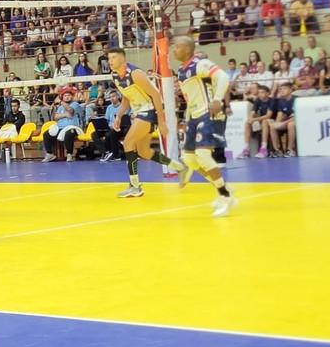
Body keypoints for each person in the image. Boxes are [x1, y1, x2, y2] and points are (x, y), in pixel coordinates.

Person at [172, 36, 236, 217]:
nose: (174, 50)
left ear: (187, 49)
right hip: (194, 116)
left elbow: (223, 76)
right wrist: (186, 119)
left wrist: (217, 99)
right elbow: (190, 96)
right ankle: (224, 188)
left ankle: (226, 196)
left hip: (209, 113)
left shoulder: (199, 64)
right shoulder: (181, 69)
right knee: (190, 159)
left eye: (177, 47)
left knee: (203, 155)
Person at [108, 47, 185, 197]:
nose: (110, 61)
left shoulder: (136, 73)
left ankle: (135, 186)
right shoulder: (115, 76)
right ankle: (179, 167)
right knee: (144, 151)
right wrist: (118, 116)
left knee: (128, 142)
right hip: (139, 112)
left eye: (114, 57)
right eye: (109, 58)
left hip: (150, 111)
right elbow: (126, 97)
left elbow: (156, 95)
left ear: (123, 59)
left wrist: (162, 122)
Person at [41, 88, 83, 162]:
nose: (67, 97)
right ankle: (50, 154)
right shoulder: (60, 107)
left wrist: (62, 103)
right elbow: (55, 117)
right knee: (46, 134)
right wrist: (65, 115)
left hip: (72, 127)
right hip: (60, 127)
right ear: (62, 97)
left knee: (68, 134)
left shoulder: (75, 104)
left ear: (72, 97)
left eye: (68, 95)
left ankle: (69, 154)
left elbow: (71, 111)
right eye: (65, 96)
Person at [243, 84, 273, 158]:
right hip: (261, 119)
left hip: (272, 120)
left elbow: (268, 116)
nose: (260, 94)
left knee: (264, 121)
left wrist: (254, 119)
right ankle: (246, 148)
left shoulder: (272, 101)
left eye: (262, 92)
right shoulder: (258, 100)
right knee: (247, 123)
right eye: (259, 92)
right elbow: (253, 112)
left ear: (268, 93)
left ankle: (263, 149)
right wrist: (250, 119)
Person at [269, 83, 297, 157]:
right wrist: (277, 123)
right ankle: (277, 150)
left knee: (290, 125)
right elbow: (279, 115)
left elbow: (298, 116)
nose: (282, 91)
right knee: (272, 126)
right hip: (287, 122)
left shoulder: (297, 99)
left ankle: (290, 150)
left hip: (297, 121)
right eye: (281, 89)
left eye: (284, 88)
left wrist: (284, 122)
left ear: (291, 90)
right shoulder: (281, 101)